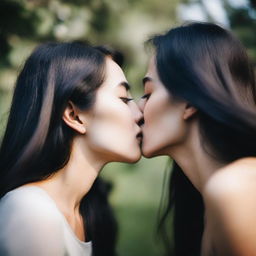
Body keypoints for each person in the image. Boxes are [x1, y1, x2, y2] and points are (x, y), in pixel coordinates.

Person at [0, 41, 143, 256]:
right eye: (124, 99)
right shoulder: (31, 214)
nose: (139, 114)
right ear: (73, 115)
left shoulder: (90, 213)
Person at [139, 22, 256, 256]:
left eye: (148, 93)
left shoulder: (233, 188)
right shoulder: (211, 200)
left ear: (189, 102)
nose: (138, 108)